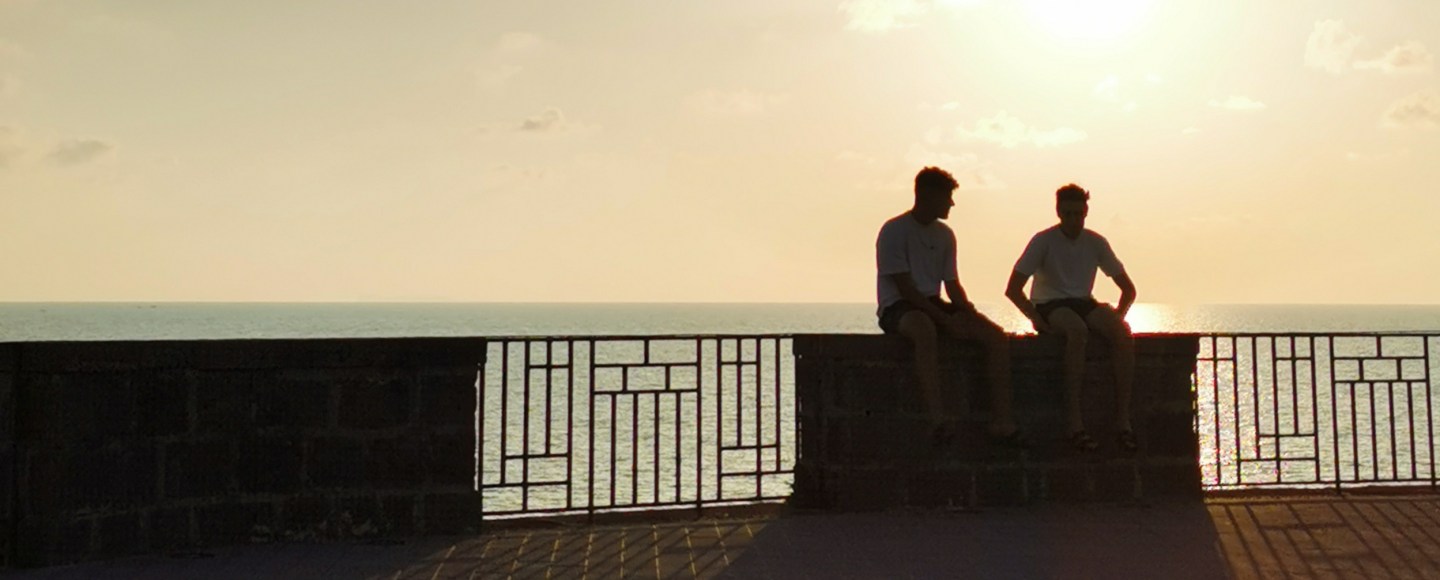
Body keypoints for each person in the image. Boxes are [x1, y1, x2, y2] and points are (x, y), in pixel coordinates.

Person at [876, 166, 1024, 448]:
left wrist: (972, 315)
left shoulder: (945, 235)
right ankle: (937, 419)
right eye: (947, 197)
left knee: (995, 338)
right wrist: (945, 321)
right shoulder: (893, 230)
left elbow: (952, 285)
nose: (951, 204)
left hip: (932, 303)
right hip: (898, 307)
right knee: (923, 330)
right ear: (928, 196)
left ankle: (1002, 421)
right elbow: (905, 289)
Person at [1004, 183, 1138, 453]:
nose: (1074, 220)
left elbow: (1128, 289)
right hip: (1049, 304)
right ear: (1058, 212)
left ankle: (1123, 421)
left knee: (1123, 334)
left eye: (1079, 214)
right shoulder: (1043, 241)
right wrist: (1036, 319)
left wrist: (1116, 318)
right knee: (1077, 332)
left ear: (1086, 212)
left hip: (1083, 302)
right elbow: (1013, 289)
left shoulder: (1095, 242)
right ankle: (1074, 423)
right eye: (1068, 214)